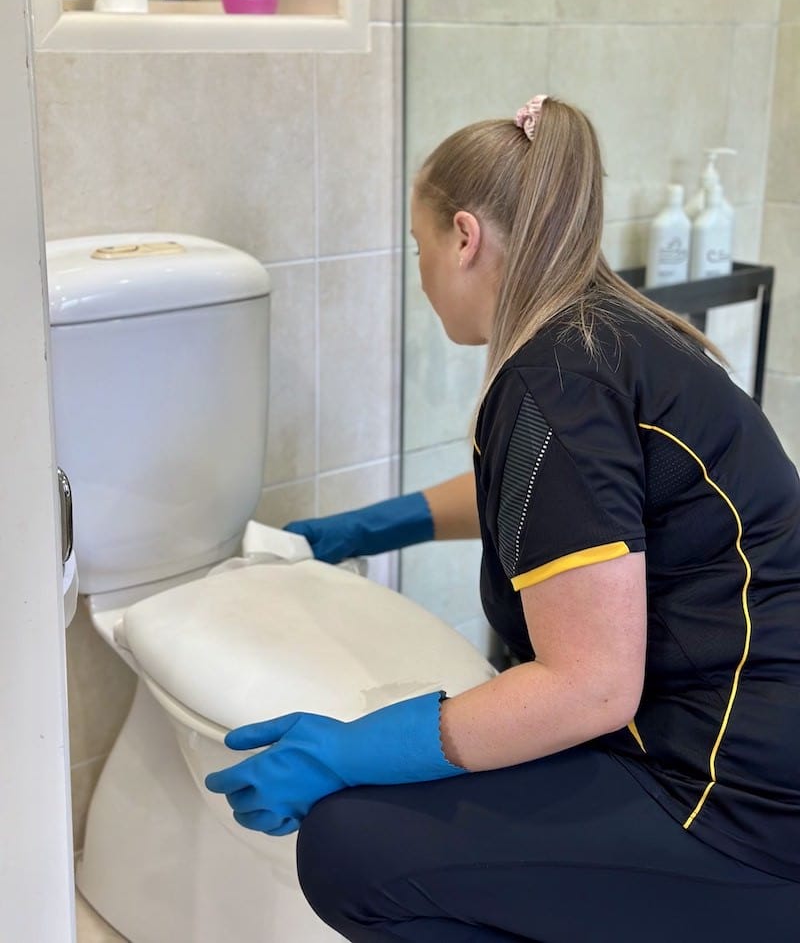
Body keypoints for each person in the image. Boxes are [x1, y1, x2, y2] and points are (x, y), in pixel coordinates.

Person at [205, 95, 800, 941]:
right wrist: (353, 530)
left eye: (418, 247)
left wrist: (350, 748)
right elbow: (553, 508)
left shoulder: (554, 380)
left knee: (350, 847)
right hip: (743, 749)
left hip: (736, 805)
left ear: (464, 235)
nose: (419, 274)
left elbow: (590, 685)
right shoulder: (600, 332)